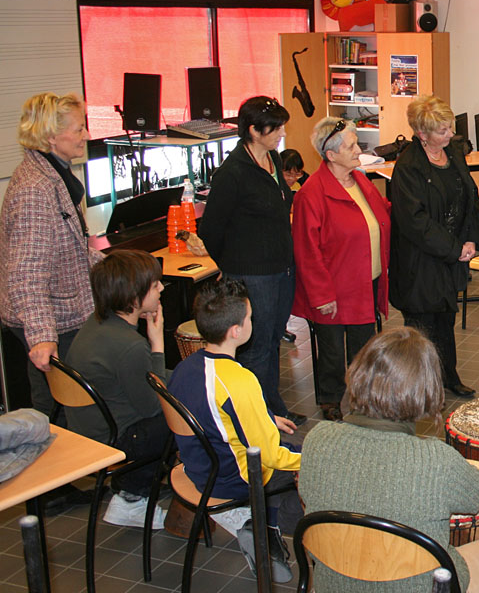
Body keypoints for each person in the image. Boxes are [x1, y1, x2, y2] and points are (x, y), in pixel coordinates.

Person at [299, 327, 479, 593]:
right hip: (421, 587)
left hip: (333, 585)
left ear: (359, 372)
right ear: (425, 389)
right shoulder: (434, 460)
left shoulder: (317, 439)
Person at [168, 278, 301, 582]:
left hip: (198, 466)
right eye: (250, 317)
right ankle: (265, 530)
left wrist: (264, 417)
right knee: (305, 462)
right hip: (233, 479)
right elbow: (271, 456)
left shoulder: (185, 367)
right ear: (236, 331)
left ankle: (257, 524)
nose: (252, 321)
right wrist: (311, 460)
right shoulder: (240, 381)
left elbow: (216, 414)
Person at [199, 96, 305, 425]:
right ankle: (258, 418)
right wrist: (232, 266)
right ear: (254, 131)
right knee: (256, 346)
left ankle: (271, 405)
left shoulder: (273, 159)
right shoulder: (233, 173)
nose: (281, 133)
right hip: (252, 274)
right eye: (275, 128)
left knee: (273, 339)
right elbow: (211, 229)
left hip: (280, 268)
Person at [0, 92, 104, 417]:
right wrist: (43, 337)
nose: (85, 135)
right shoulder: (35, 190)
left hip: (61, 312)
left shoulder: (54, 172)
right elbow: (26, 273)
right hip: (51, 319)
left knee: (59, 403)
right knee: (59, 406)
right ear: (50, 136)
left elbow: (67, 248)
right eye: (78, 129)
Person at [64, 250, 170, 529]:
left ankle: (141, 482)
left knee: (179, 387)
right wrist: (157, 344)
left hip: (88, 429)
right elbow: (153, 407)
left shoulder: (98, 323)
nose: (161, 288)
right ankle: (132, 500)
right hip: (114, 439)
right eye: (154, 284)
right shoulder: (130, 346)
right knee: (180, 418)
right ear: (134, 297)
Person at [293, 117, 390, 421]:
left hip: (365, 280)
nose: (358, 149)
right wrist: (322, 295)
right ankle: (331, 400)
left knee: (364, 347)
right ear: (330, 155)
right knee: (333, 352)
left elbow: (381, 213)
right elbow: (307, 251)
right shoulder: (312, 193)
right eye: (351, 146)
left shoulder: (359, 180)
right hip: (333, 287)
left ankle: (363, 397)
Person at [389, 96, 479, 398]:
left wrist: (470, 241)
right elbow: (416, 222)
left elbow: (469, 198)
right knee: (421, 328)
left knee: (445, 320)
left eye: (450, 127)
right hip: (420, 262)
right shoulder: (408, 166)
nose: (450, 135)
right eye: (442, 130)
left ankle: (448, 376)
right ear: (422, 134)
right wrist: (454, 248)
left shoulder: (452, 153)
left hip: (450, 255)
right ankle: (421, 389)